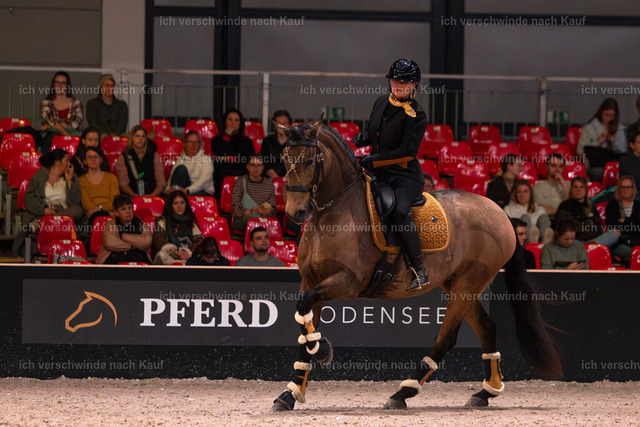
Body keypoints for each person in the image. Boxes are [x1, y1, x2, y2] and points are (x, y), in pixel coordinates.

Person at [352, 58, 428, 290]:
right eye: (395, 81)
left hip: (403, 176)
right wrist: (363, 138)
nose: (398, 86)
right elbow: (374, 131)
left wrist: (373, 160)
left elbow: (407, 152)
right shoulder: (381, 101)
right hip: (377, 171)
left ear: (414, 85)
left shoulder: (417, 114)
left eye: (403, 83)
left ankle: (419, 269)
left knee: (400, 212)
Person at [12, 149, 84, 256]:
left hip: (64, 212)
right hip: (44, 210)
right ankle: (44, 220)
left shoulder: (72, 177)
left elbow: (76, 201)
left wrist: (69, 183)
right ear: (57, 162)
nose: (69, 164)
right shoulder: (40, 176)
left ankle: (42, 222)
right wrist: (43, 211)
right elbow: (29, 199)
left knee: (77, 210)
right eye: (66, 160)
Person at [556, 176, 619, 248]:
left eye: (582, 187)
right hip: (575, 241)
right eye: (575, 187)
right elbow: (566, 228)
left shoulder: (590, 206)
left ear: (585, 190)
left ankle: (590, 246)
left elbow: (599, 227)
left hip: (594, 239)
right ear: (571, 190)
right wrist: (589, 226)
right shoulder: (565, 206)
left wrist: (589, 230)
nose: (578, 190)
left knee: (614, 233)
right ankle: (590, 247)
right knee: (568, 240)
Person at [577, 98, 627, 181]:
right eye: (606, 114)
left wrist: (614, 142)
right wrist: (598, 142)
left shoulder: (620, 129)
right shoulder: (589, 128)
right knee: (600, 173)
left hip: (615, 162)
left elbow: (624, 151)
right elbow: (580, 150)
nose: (609, 118)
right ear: (601, 113)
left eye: (612, 115)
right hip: (595, 164)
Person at [211, 108, 255, 200]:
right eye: (230, 119)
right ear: (225, 122)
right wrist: (226, 137)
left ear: (240, 123)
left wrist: (227, 158)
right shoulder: (216, 140)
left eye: (236, 120)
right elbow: (219, 155)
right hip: (222, 173)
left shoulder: (246, 141)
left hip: (241, 171)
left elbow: (246, 159)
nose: (233, 122)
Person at [95, 194, 152, 264]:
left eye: (130, 208)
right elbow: (109, 243)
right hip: (114, 259)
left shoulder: (141, 223)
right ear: (116, 212)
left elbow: (146, 243)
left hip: (139, 260)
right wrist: (134, 246)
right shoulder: (110, 224)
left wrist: (122, 236)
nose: (128, 211)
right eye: (123, 209)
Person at [152, 190, 203, 265]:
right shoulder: (161, 221)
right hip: (169, 253)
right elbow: (159, 241)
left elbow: (199, 240)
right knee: (162, 255)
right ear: (171, 205)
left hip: (187, 255)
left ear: (186, 205)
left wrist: (187, 252)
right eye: (176, 203)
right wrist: (175, 252)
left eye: (182, 203)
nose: (179, 206)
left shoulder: (190, 221)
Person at [115, 125, 166, 197]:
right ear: (132, 138)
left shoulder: (155, 155)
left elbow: (161, 182)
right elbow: (123, 184)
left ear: (146, 139)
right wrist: (133, 195)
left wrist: (152, 196)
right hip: (131, 195)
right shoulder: (123, 157)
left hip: (152, 194)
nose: (140, 139)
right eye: (137, 136)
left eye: (143, 136)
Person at [231, 153, 277, 231]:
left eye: (259, 165)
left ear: (263, 167)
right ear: (247, 167)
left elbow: (273, 209)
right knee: (255, 219)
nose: (256, 168)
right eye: (252, 165)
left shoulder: (269, 184)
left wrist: (268, 211)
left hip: (264, 219)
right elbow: (234, 210)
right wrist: (253, 211)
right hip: (243, 219)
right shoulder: (240, 182)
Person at [40, 71, 83, 153]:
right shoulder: (46, 103)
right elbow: (51, 121)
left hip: (72, 133)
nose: (60, 86)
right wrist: (63, 128)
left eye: (63, 83)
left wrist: (53, 126)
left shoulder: (77, 103)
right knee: (51, 137)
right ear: (53, 85)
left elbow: (77, 122)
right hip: (52, 135)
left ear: (68, 85)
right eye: (57, 82)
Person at [79, 146, 120, 228]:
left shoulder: (111, 178)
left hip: (111, 213)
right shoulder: (81, 180)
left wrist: (100, 208)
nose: (93, 159)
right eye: (90, 157)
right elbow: (86, 204)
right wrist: (104, 211)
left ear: (101, 159)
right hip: (93, 215)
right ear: (85, 161)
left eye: (96, 157)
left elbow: (115, 201)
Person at [605, 176, 640, 265]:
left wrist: (624, 220)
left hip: (637, 240)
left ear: (633, 189)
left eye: (628, 187)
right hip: (619, 243)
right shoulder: (612, 206)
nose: (625, 190)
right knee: (634, 255)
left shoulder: (638, 205)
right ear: (618, 189)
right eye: (622, 187)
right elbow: (611, 226)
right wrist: (634, 221)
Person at [166, 131, 214, 196]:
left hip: (202, 192)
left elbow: (204, 180)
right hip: (182, 190)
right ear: (185, 144)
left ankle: (177, 196)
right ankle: (176, 195)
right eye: (190, 142)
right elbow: (172, 177)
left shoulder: (206, 159)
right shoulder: (180, 160)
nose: (193, 145)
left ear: (199, 144)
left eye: (196, 142)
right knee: (181, 169)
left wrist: (187, 190)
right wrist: (168, 189)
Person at [504, 180, 552, 244]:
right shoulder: (508, 209)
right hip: (519, 241)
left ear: (530, 193)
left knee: (543, 217)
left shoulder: (539, 209)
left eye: (525, 191)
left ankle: (545, 241)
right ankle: (528, 239)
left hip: (540, 241)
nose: (522, 195)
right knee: (525, 218)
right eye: (519, 192)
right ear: (515, 194)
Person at [533, 153, 570, 218]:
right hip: (548, 220)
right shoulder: (538, 187)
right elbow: (541, 210)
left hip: (567, 219)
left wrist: (564, 186)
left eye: (560, 166)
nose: (557, 169)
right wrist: (563, 211)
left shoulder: (570, 185)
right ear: (547, 167)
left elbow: (573, 207)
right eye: (553, 165)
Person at [261, 110, 293, 178]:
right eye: (278, 123)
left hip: (291, 180)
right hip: (270, 179)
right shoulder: (267, 141)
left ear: (290, 125)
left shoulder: (296, 143)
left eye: (284, 123)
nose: (281, 126)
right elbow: (265, 164)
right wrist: (278, 180)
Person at [618, 130, 640, 197]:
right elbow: (634, 179)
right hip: (633, 193)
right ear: (632, 145)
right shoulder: (625, 160)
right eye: (639, 142)